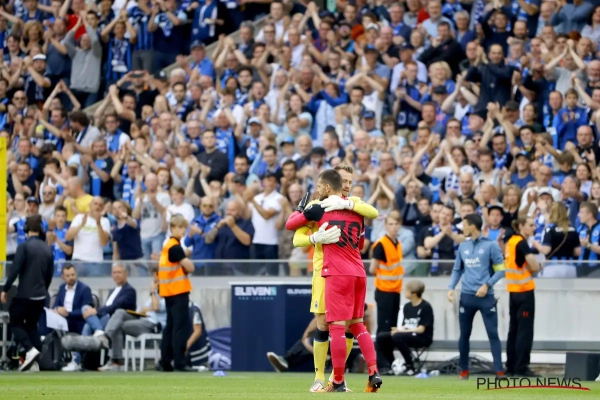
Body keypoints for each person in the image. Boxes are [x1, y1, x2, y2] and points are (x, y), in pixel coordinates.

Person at [286, 164, 378, 392]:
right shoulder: (317, 206)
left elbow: (367, 225)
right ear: (333, 182)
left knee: (345, 327)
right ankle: (320, 377)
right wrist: (315, 238)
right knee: (324, 323)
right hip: (324, 269)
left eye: (350, 182)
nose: (347, 186)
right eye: (344, 181)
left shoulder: (355, 204)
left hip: (338, 270)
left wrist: (349, 204)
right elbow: (297, 238)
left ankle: (337, 378)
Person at [447, 213, 506, 380]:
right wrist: (451, 287)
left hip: (486, 297)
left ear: (472, 226)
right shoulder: (463, 247)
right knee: (464, 335)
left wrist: (487, 285)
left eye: (464, 225)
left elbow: (501, 270)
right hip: (467, 296)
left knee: (492, 334)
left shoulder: (491, 245)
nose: (462, 228)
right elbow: (457, 269)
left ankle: (499, 371)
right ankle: (464, 370)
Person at [1, 215, 54, 372]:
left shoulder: (24, 247)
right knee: (31, 326)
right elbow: (49, 275)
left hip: (25, 294)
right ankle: (35, 363)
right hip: (41, 296)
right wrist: (44, 290)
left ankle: (30, 350)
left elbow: (15, 270)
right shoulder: (47, 249)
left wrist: (5, 289)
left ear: (25, 229)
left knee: (15, 322)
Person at [157, 215, 195, 372]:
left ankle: (165, 361)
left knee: (170, 327)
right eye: (179, 227)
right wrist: (186, 259)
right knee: (180, 328)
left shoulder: (167, 246)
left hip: (169, 292)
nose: (182, 230)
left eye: (183, 227)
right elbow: (190, 267)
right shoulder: (175, 247)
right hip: (178, 291)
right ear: (172, 228)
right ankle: (180, 362)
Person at [504, 217, 541, 378]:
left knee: (513, 331)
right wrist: (536, 267)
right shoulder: (522, 243)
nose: (534, 228)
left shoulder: (510, 242)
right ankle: (521, 367)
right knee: (524, 331)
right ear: (521, 226)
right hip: (524, 291)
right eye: (530, 225)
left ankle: (510, 366)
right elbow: (534, 265)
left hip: (513, 292)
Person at [376, 280, 434, 376]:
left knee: (398, 336)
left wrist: (402, 332)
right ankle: (391, 365)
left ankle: (410, 366)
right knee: (381, 337)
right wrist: (398, 330)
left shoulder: (425, 307)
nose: (404, 292)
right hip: (407, 335)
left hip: (422, 337)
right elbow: (406, 325)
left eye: (407, 290)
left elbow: (421, 329)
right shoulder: (407, 306)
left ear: (414, 293)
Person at [369, 211, 404, 335]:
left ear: (400, 225)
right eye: (391, 224)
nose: (394, 227)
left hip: (395, 289)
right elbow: (372, 269)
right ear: (386, 226)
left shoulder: (398, 243)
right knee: (384, 327)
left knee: (393, 326)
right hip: (384, 291)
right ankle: (381, 348)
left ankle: (389, 348)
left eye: (396, 224)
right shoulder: (381, 244)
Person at [533, 202, 582, 278]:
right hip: (570, 266)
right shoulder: (572, 229)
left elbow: (546, 250)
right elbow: (578, 252)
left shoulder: (550, 229)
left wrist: (536, 245)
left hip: (553, 266)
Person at [52, 264, 93, 334]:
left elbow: (85, 311)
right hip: (62, 319)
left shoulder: (85, 289)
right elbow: (56, 305)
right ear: (62, 277)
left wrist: (67, 313)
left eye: (73, 275)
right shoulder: (62, 288)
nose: (71, 277)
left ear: (76, 274)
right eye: (68, 276)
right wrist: (57, 309)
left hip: (76, 321)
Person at [576, 202, 600, 277]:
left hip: (596, 268)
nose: (578, 215)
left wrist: (588, 245)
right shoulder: (580, 229)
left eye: (581, 212)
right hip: (580, 267)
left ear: (589, 214)